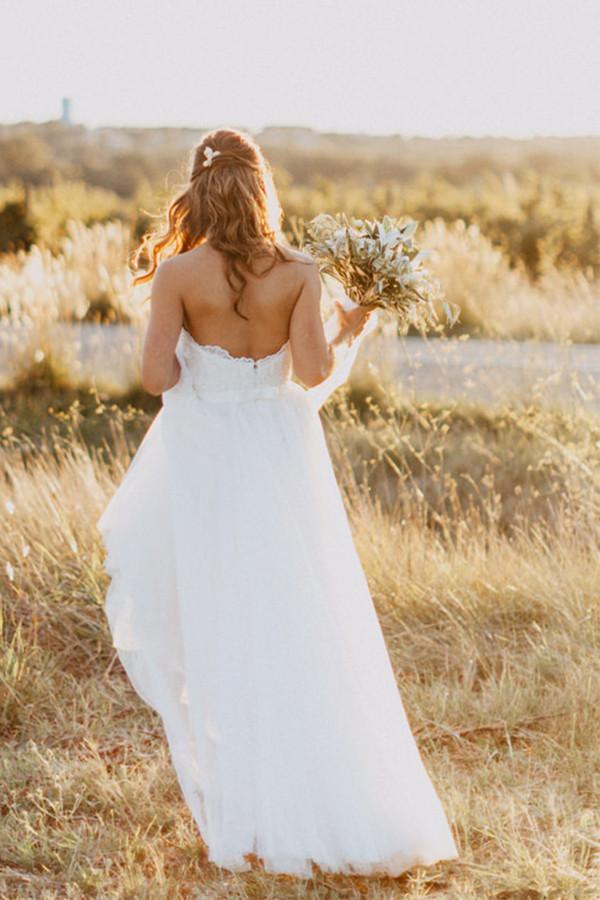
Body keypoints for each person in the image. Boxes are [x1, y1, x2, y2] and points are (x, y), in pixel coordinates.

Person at [97, 128, 459, 878]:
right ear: (262, 186)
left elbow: (158, 378)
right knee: (300, 614)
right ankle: (323, 800)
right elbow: (311, 371)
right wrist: (348, 323)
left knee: (221, 623)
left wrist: (203, 355)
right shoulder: (300, 271)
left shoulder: (178, 273)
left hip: (206, 464)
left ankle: (253, 813)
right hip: (282, 456)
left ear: (196, 190)